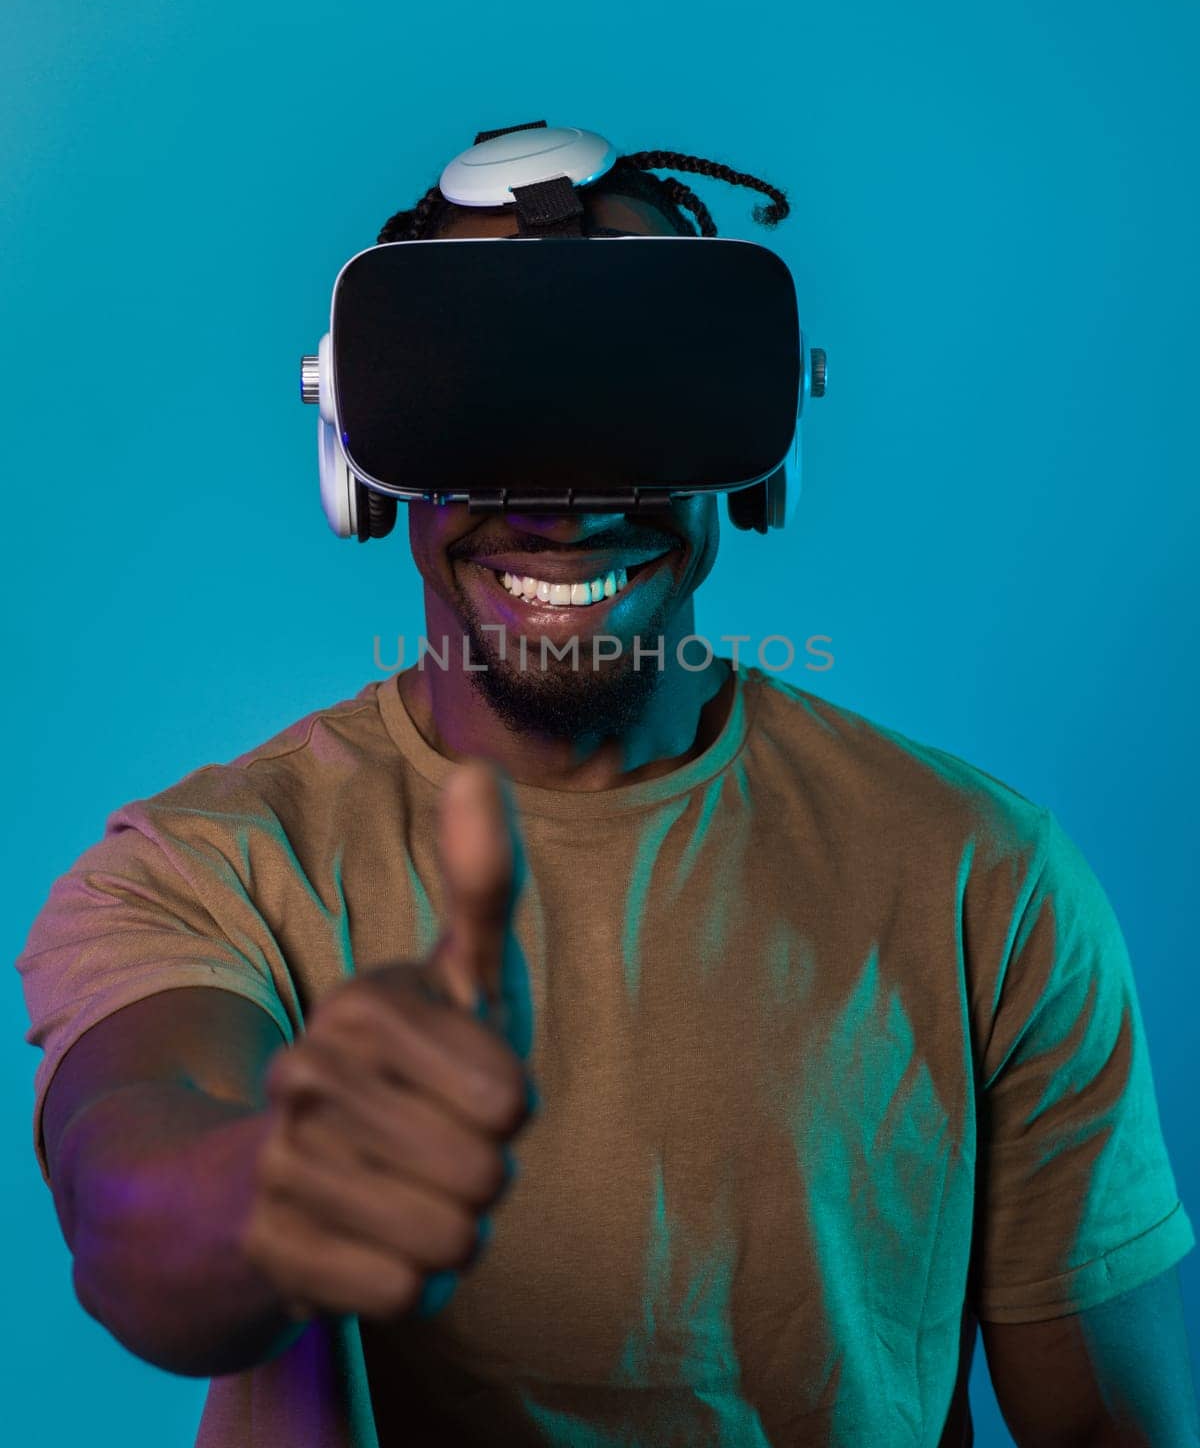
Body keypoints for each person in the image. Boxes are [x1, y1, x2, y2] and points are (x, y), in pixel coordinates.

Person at [15, 146, 1199, 1448]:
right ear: (361, 455)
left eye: (628, 398)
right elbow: (128, 1205)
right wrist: (277, 1190)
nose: (564, 504)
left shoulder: (988, 881)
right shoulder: (214, 870)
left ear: (754, 456)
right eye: (485, 402)